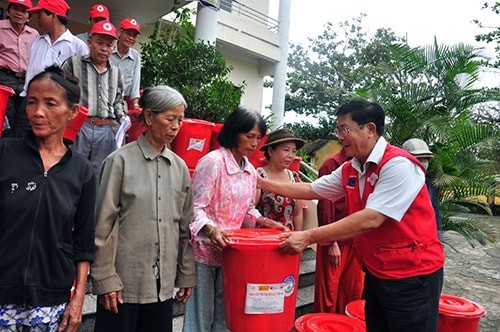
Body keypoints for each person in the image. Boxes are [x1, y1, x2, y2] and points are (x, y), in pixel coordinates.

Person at [259, 98, 445, 332]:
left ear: (370, 129)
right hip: (378, 272)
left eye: (345, 129)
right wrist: (259, 181)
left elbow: (371, 219)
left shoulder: (398, 165)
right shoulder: (353, 167)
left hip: (412, 276)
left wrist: (307, 236)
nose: (339, 136)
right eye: (338, 130)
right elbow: (311, 189)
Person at [90, 85, 195, 332]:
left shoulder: (179, 168)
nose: (176, 126)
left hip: (163, 285)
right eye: (170, 119)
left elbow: (184, 226)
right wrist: (105, 279)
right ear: (149, 117)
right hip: (123, 284)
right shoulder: (119, 162)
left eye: (179, 120)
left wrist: (186, 273)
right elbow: (102, 225)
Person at [0, 65, 96, 332]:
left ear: (72, 113)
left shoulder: (82, 171)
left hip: (50, 301)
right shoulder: (5, 153)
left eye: (50, 104)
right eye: (32, 102)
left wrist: (77, 301)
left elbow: (84, 243)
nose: (37, 112)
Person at [182, 106, 286, 332]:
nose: (254, 143)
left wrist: (263, 222)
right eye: (249, 136)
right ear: (234, 132)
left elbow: (247, 209)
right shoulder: (213, 162)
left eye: (258, 138)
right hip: (205, 250)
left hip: (234, 251)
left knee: (227, 309)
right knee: (201, 313)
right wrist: (210, 230)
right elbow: (195, 207)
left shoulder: (249, 169)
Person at [62, 20, 126, 176]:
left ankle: (92, 200)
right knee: (72, 167)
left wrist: (123, 118)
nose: (104, 48)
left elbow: (118, 100)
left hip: (105, 129)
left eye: (109, 45)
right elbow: (60, 91)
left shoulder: (116, 73)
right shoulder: (73, 64)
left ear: (113, 48)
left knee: (98, 174)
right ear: (89, 42)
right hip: (79, 125)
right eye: (99, 43)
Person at [15, 0, 88, 137]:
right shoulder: (37, 40)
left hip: (55, 106)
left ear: (53, 15)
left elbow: (81, 82)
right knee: (22, 142)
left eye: (40, 15)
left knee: (48, 145)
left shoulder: (77, 46)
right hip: (29, 101)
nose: (38, 19)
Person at [313, 147, 365, 314]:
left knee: (353, 290)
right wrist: (331, 242)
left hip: (357, 239)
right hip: (336, 239)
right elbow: (325, 205)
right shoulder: (332, 164)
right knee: (329, 291)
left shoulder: (366, 165)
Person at [0, 0, 39, 137]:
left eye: (23, 11)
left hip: (26, 80)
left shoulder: (34, 34)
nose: (19, 13)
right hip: (5, 78)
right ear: (8, 11)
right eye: (15, 9)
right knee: (5, 118)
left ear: (29, 16)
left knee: (24, 118)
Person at [255, 128, 305, 231]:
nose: (291, 156)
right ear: (270, 151)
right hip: (262, 238)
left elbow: (297, 213)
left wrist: (298, 235)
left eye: (294, 151)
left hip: (287, 239)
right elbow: (249, 211)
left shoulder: (294, 178)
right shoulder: (258, 176)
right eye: (286, 150)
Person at [402, 138, 443, 241]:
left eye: (425, 159)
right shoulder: (396, 181)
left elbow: (434, 209)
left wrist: (438, 237)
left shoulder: (427, 183)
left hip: (423, 238)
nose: (422, 162)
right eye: (418, 159)